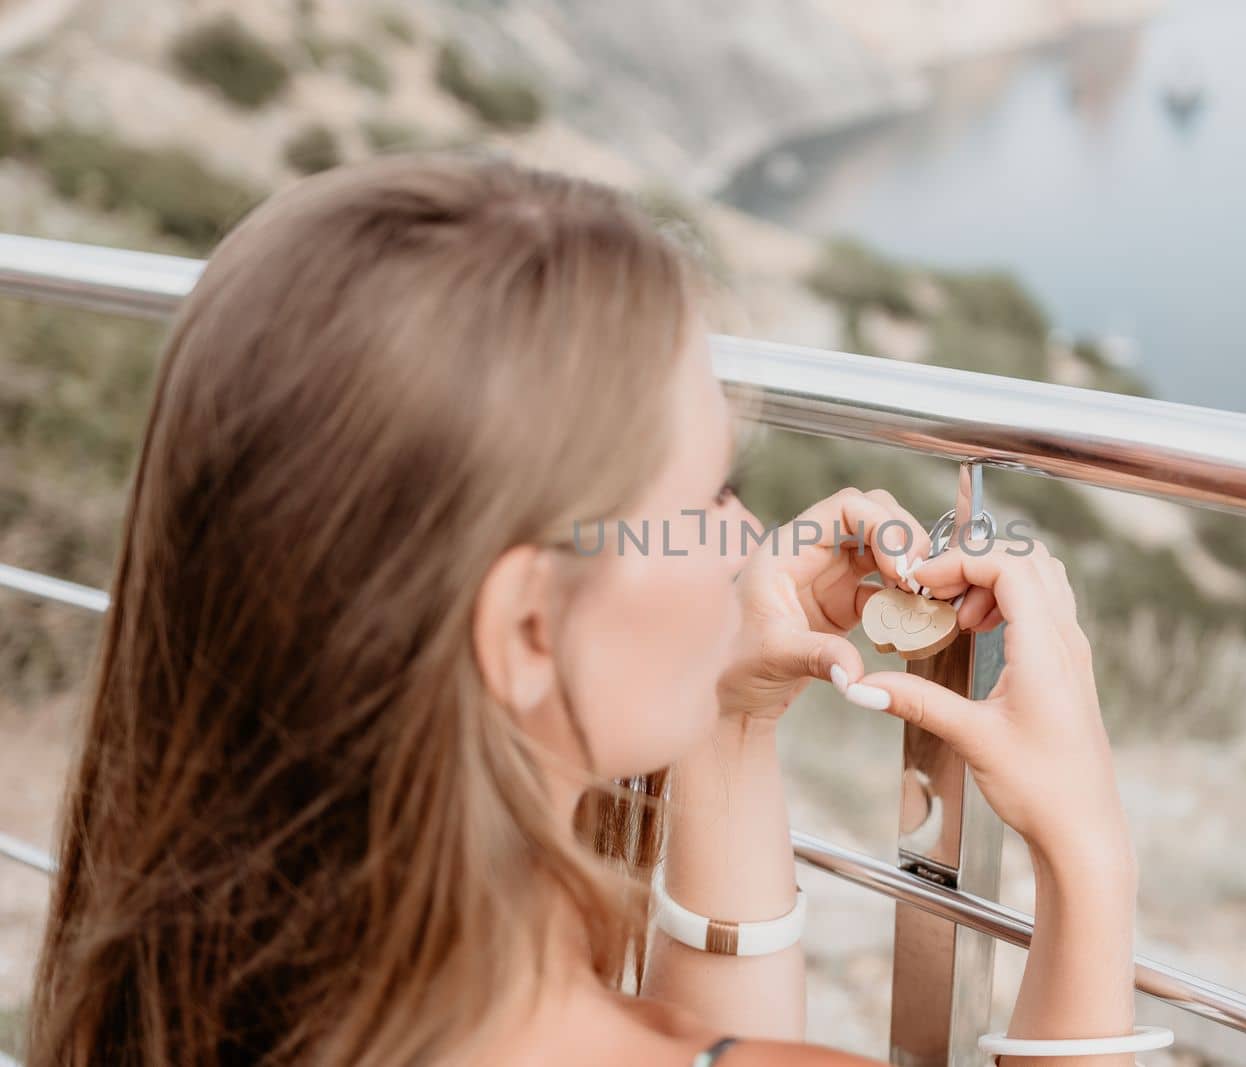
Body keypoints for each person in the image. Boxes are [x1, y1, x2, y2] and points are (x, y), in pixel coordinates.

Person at [27, 153, 1139, 1067]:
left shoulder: (180, 1000)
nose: (746, 542)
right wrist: (1085, 855)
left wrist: (729, 721)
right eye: (699, 504)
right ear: (523, 629)